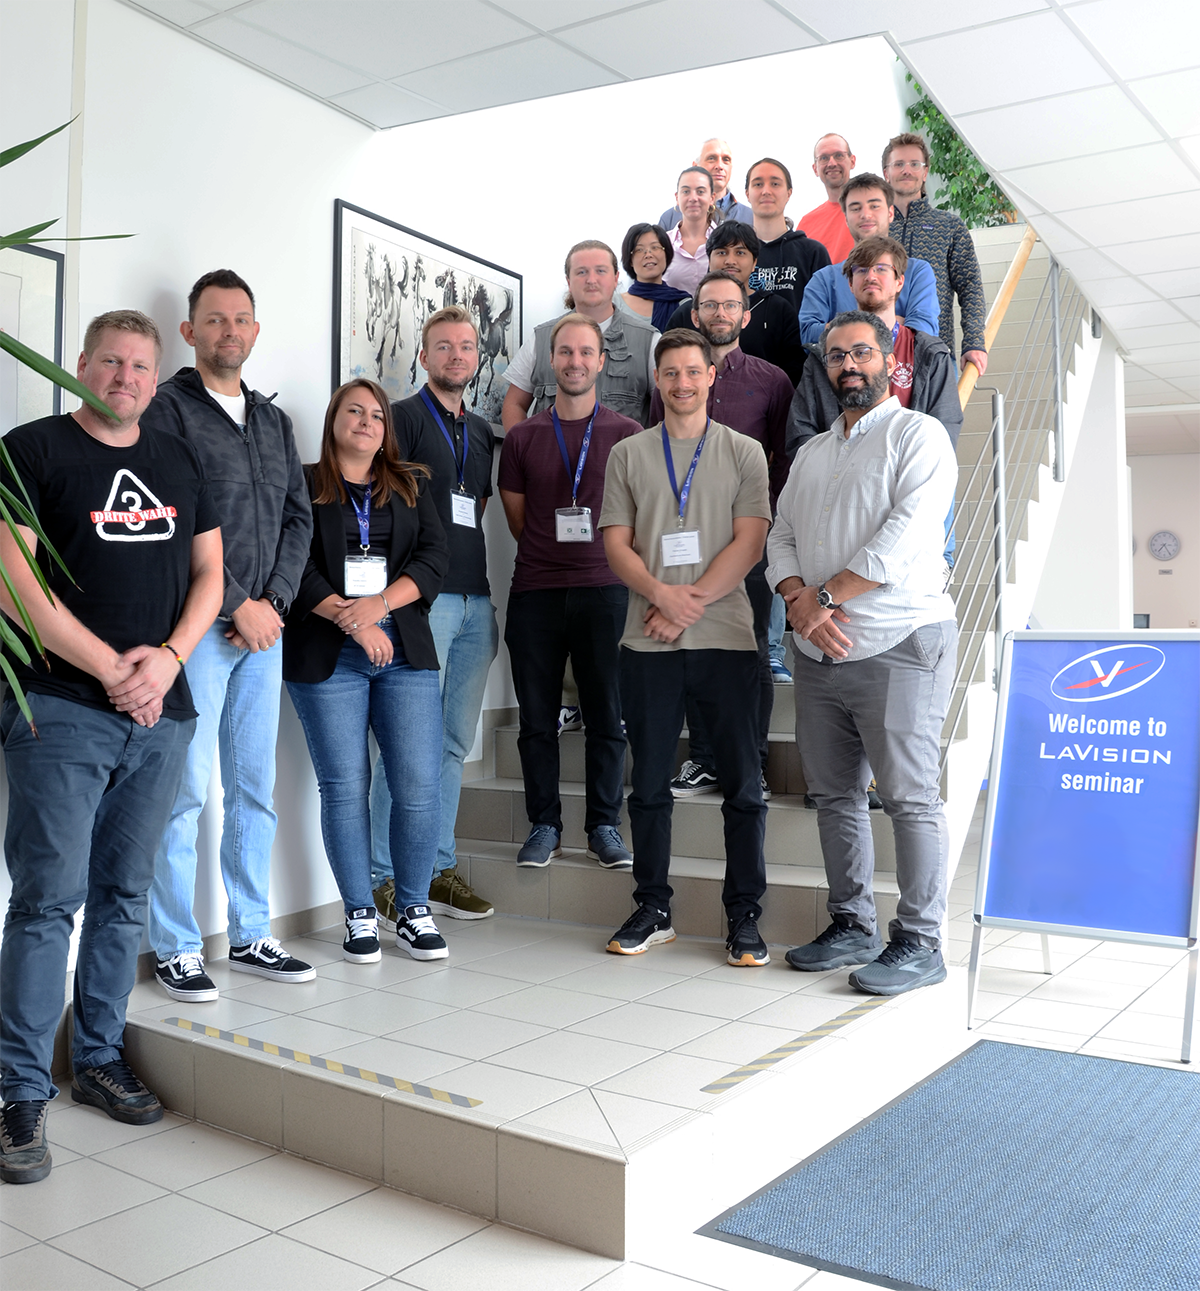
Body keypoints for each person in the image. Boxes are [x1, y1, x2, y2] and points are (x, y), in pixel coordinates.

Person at [0, 311, 224, 1184]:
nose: (125, 376)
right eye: (110, 362)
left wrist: (167, 661)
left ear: (154, 377)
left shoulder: (178, 458)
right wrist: (112, 669)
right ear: (80, 364)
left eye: (139, 366)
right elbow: (15, 587)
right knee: (46, 901)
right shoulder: (30, 450)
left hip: (163, 711)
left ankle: (96, 1056)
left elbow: (210, 576)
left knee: (124, 893)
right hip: (61, 708)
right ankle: (18, 1090)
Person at [767, 310, 958, 996]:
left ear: (888, 361)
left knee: (908, 797)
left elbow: (904, 538)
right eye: (836, 356)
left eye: (860, 353)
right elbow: (781, 534)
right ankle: (852, 923)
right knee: (834, 795)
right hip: (819, 649)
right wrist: (798, 599)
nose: (848, 365)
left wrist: (821, 599)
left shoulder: (919, 435)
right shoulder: (813, 453)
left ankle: (922, 941)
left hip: (900, 639)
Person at [143, 269, 315, 1001]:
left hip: (263, 632)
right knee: (184, 790)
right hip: (198, 632)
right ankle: (177, 946)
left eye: (241, 319)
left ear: (255, 330)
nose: (230, 331)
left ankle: (249, 932)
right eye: (215, 320)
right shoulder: (165, 411)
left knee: (254, 788)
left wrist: (272, 601)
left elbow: (298, 518)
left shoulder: (273, 421)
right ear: (190, 331)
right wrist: (236, 603)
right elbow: (166, 518)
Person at [599, 329, 772, 966]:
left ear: (711, 376)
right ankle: (653, 907)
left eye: (693, 371)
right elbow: (616, 544)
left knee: (743, 787)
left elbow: (750, 542)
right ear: (658, 380)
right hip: (647, 643)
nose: (682, 383)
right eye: (670, 373)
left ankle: (744, 916)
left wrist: (685, 602)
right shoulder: (628, 453)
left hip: (727, 640)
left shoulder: (745, 452)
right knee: (648, 785)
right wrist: (659, 596)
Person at [284, 380, 450, 963]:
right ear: (333, 420)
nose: (365, 421)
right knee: (345, 788)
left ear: (387, 431)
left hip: (403, 651)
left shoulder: (411, 484)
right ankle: (358, 913)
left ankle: (413, 908)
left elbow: (434, 560)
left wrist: (378, 607)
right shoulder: (304, 483)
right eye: (353, 411)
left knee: (418, 786)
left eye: (377, 415)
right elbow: (294, 565)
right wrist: (353, 622)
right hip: (328, 656)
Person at [368, 307, 499, 926]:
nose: (456, 355)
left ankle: (435, 869)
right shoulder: (400, 419)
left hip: (477, 601)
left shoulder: (482, 430)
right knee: (405, 745)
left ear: (477, 357)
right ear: (424, 356)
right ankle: (383, 877)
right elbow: (378, 503)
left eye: (466, 346)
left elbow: (476, 508)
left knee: (452, 745)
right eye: (443, 346)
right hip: (423, 602)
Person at [499, 314, 639, 869]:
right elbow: (518, 519)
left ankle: (604, 825)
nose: (575, 361)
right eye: (565, 352)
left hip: (606, 591)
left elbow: (640, 518)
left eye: (585, 352)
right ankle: (545, 825)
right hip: (535, 591)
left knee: (607, 716)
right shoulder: (522, 437)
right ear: (550, 361)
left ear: (601, 362)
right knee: (537, 720)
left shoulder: (627, 434)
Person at [649, 272, 791, 804]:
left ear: (745, 316)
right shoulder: (673, 379)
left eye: (730, 305)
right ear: (695, 314)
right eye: (709, 305)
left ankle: (751, 763)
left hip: (744, 538)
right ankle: (707, 760)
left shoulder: (772, 381)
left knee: (748, 651)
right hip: (683, 537)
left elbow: (785, 461)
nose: (720, 314)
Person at [789, 237, 962, 454]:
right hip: (837, 471)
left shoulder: (930, 355)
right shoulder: (823, 356)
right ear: (850, 284)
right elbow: (800, 431)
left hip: (907, 471)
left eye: (881, 269)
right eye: (861, 270)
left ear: (899, 282)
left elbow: (944, 430)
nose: (870, 276)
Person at [501, 240, 657, 430]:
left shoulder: (648, 341)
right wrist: (523, 445)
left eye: (600, 271)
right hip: (551, 450)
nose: (591, 280)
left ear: (616, 278)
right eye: (581, 272)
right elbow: (513, 404)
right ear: (568, 281)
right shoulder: (540, 338)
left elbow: (667, 412)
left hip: (621, 452)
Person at [883, 132, 988, 376]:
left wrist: (974, 341)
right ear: (886, 173)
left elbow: (970, 286)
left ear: (925, 172)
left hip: (935, 354)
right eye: (898, 164)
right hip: (881, 355)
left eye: (914, 164)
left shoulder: (949, 226)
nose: (906, 170)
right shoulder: (876, 229)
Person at [799, 175, 940, 345]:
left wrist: (837, 327)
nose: (865, 215)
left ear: (890, 213)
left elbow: (922, 333)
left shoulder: (918, 272)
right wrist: (893, 322)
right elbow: (808, 335)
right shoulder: (824, 280)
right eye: (855, 208)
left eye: (874, 206)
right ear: (846, 218)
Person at [662, 222, 805, 386]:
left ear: (754, 263)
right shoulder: (687, 313)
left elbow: (794, 374)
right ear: (709, 260)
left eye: (740, 252)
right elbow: (667, 365)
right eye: (722, 252)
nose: (730, 261)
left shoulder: (779, 311)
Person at [744, 157, 831, 316]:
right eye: (758, 184)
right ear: (747, 194)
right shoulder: (734, 253)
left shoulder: (813, 253)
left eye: (775, 184)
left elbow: (827, 313)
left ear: (789, 193)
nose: (766, 191)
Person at [659, 137, 754, 230]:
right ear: (695, 166)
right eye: (711, 158)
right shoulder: (669, 219)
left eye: (726, 159)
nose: (719, 166)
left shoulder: (750, 217)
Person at [797, 133, 857, 263]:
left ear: (852, 161)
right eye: (824, 158)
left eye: (839, 155)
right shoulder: (806, 224)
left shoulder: (873, 211)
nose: (832, 163)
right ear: (815, 169)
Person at [618, 223, 690, 331]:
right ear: (630, 260)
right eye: (639, 250)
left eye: (655, 247)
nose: (648, 255)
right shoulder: (615, 304)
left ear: (666, 254)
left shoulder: (683, 304)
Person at [661, 167, 719, 297]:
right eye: (686, 191)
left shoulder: (726, 242)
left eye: (700, 191)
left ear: (712, 198)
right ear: (677, 197)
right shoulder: (662, 244)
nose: (693, 198)